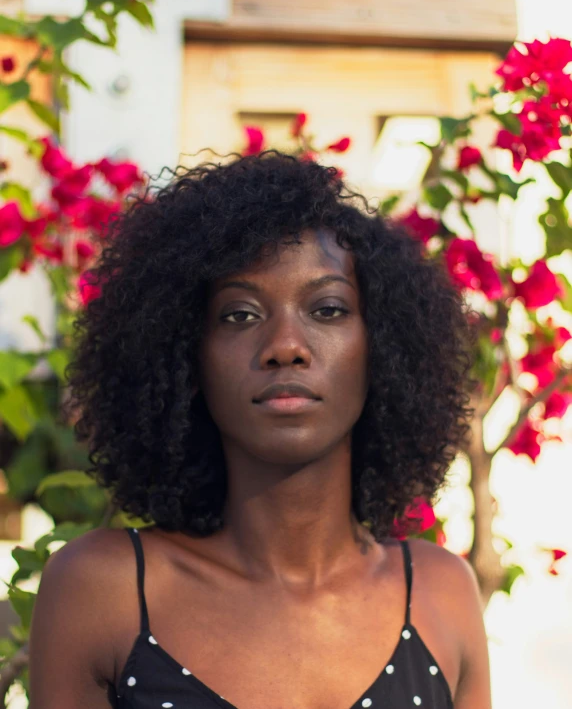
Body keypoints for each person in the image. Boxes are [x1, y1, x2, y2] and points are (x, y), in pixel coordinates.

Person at [28, 151, 491, 709]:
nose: (285, 347)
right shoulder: (103, 590)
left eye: (327, 309)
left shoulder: (441, 592)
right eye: (240, 315)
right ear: (185, 356)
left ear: (384, 349)